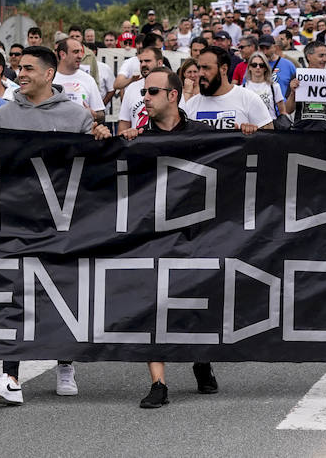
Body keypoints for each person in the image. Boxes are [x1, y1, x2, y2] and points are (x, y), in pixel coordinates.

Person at [0, 45, 111, 406]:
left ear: (49, 74)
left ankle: (65, 363)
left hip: (63, 222)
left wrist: (101, 141)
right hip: (17, 220)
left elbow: (92, 171)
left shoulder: (76, 117)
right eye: (19, 67)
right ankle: (10, 376)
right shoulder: (1, 117)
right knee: (17, 294)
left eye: (29, 68)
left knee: (62, 293)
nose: (22, 73)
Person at [121, 68, 219, 408]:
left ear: (172, 96)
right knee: (152, 302)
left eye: (151, 92)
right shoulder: (138, 139)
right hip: (154, 233)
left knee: (197, 300)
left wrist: (248, 134)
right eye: (143, 92)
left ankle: (202, 360)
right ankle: (158, 383)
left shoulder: (204, 134)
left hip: (198, 231)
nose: (144, 97)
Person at [180, 47, 273, 134]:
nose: (200, 73)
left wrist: (252, 134)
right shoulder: (191, 104)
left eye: (206, 68)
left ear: (223, 69)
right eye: (199, 68)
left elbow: (269, 138)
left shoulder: (249, 99)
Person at [283, 41, 326, 130]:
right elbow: (288, 110)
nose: (325, 59)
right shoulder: (298, 77)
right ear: (309, 57)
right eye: (321, 56)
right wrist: (292, 92)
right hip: (302, 131)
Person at [52, 37, 106, 123]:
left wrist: (93, 114)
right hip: (55, 134)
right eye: (75, 52)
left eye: (81, 51)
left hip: (81, 135)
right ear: (62, 54)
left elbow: (101, 114)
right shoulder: (49, 78)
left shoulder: (88, 79)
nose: (80, 56)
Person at [116, 46, 166, 135]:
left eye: (147, 61)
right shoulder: (131, 88)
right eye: (141, 61)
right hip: (137, 146)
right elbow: (124, 125)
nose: (143, 64)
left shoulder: (171, 86)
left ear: (159, 63)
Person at [240, 51, 285, 121]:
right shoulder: (242, 88)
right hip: (250, 127)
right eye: (254, 65)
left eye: (261, 65)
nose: (258, 67)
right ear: (249, 67)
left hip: (271, 128)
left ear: (265, 68)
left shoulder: (274, 86)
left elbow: (282, 112)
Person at [257, 35, 298, 99]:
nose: (265, 52)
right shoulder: (253, 65)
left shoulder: (288, 65)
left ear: (274, 47)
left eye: (268, 48)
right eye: (262, 49)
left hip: (282, 107)